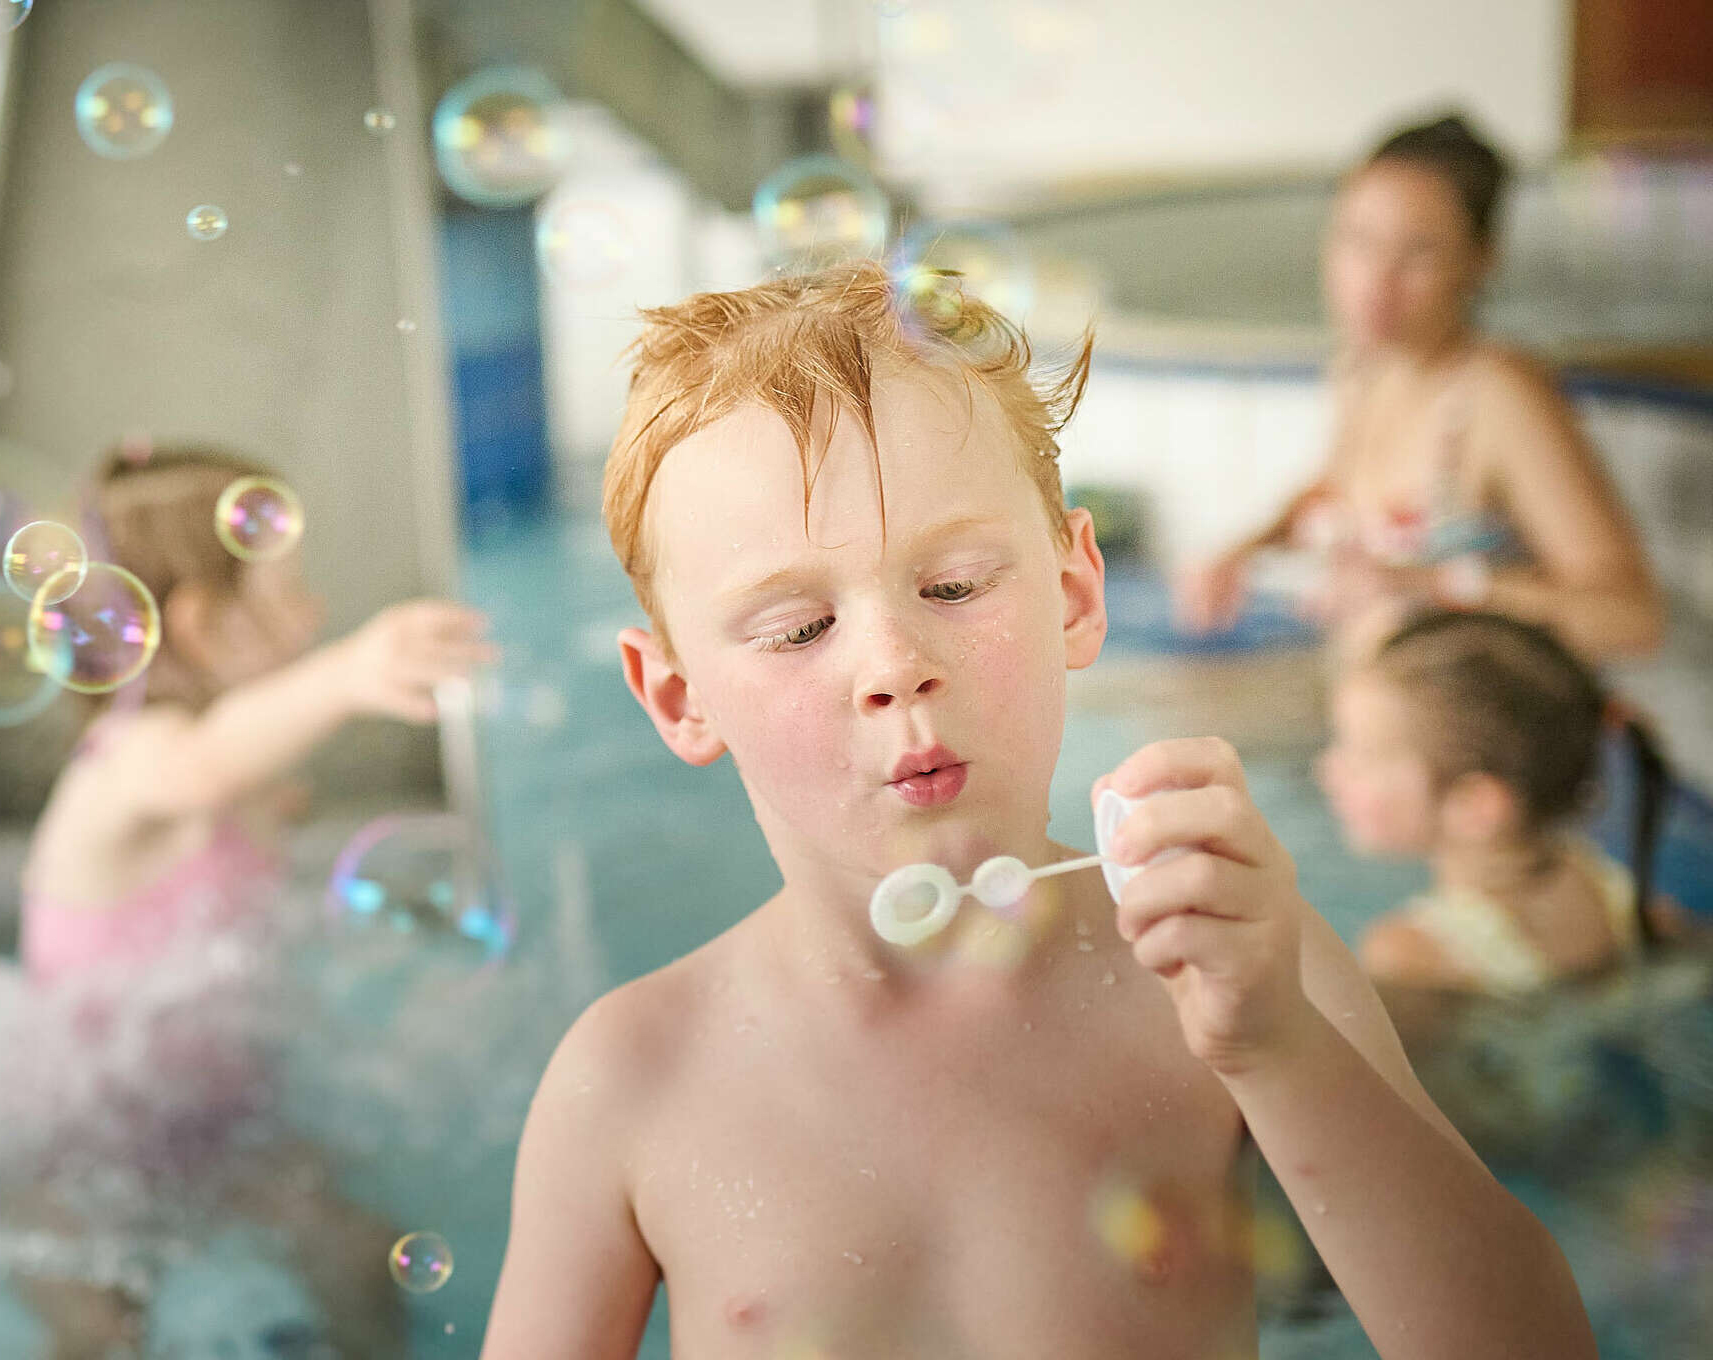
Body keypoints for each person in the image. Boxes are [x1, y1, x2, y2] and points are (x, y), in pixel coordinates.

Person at [480, 260, 1595, 1356]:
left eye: (955, 586)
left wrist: (1278, 1049)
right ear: (678, 697)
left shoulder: (1229, 969)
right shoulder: (633, 1077)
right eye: (796, 630)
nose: (893, 665)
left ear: (1074, 593)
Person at [12, 444, 493, 1357]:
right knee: (101, 1332)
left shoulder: (235, 776)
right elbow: (199, 767)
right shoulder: (131, 762)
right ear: (199, 624)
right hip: (85, 1136)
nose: (313, 615)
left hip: (226, 1114)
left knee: (359, 1258)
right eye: (288, 593)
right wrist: (350, 673)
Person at [1175, 114, 1662, 664]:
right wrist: (1243, 553)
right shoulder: (1364, 367)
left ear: (1479, 261)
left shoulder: (1499, 396)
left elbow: (1630, 617)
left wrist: (1437, 587)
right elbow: (1338, 487)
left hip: (1484, 733)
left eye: (1418, 253)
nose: (1375, 282)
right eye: (1358, 240)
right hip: (1389, 708)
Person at [1326, 610, 1684, 996]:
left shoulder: (1407, 958)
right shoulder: (1605, 885)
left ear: (1474, 805)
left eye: (1360, 758)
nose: (1328, 768)